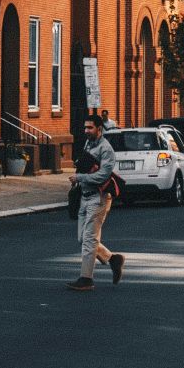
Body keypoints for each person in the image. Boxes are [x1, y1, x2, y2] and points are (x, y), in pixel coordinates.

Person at [67, 114, 124, 291]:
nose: (86, 131)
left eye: (90, 128)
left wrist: (80, 177)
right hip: (84, 196)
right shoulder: (88, 144)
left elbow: (103, 175)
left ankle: (86, 278)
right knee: (82, 238)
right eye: (85, 127)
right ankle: (112, 259)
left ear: (99, 129)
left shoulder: (106, 149)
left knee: (89, 239)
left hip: (98, 198)